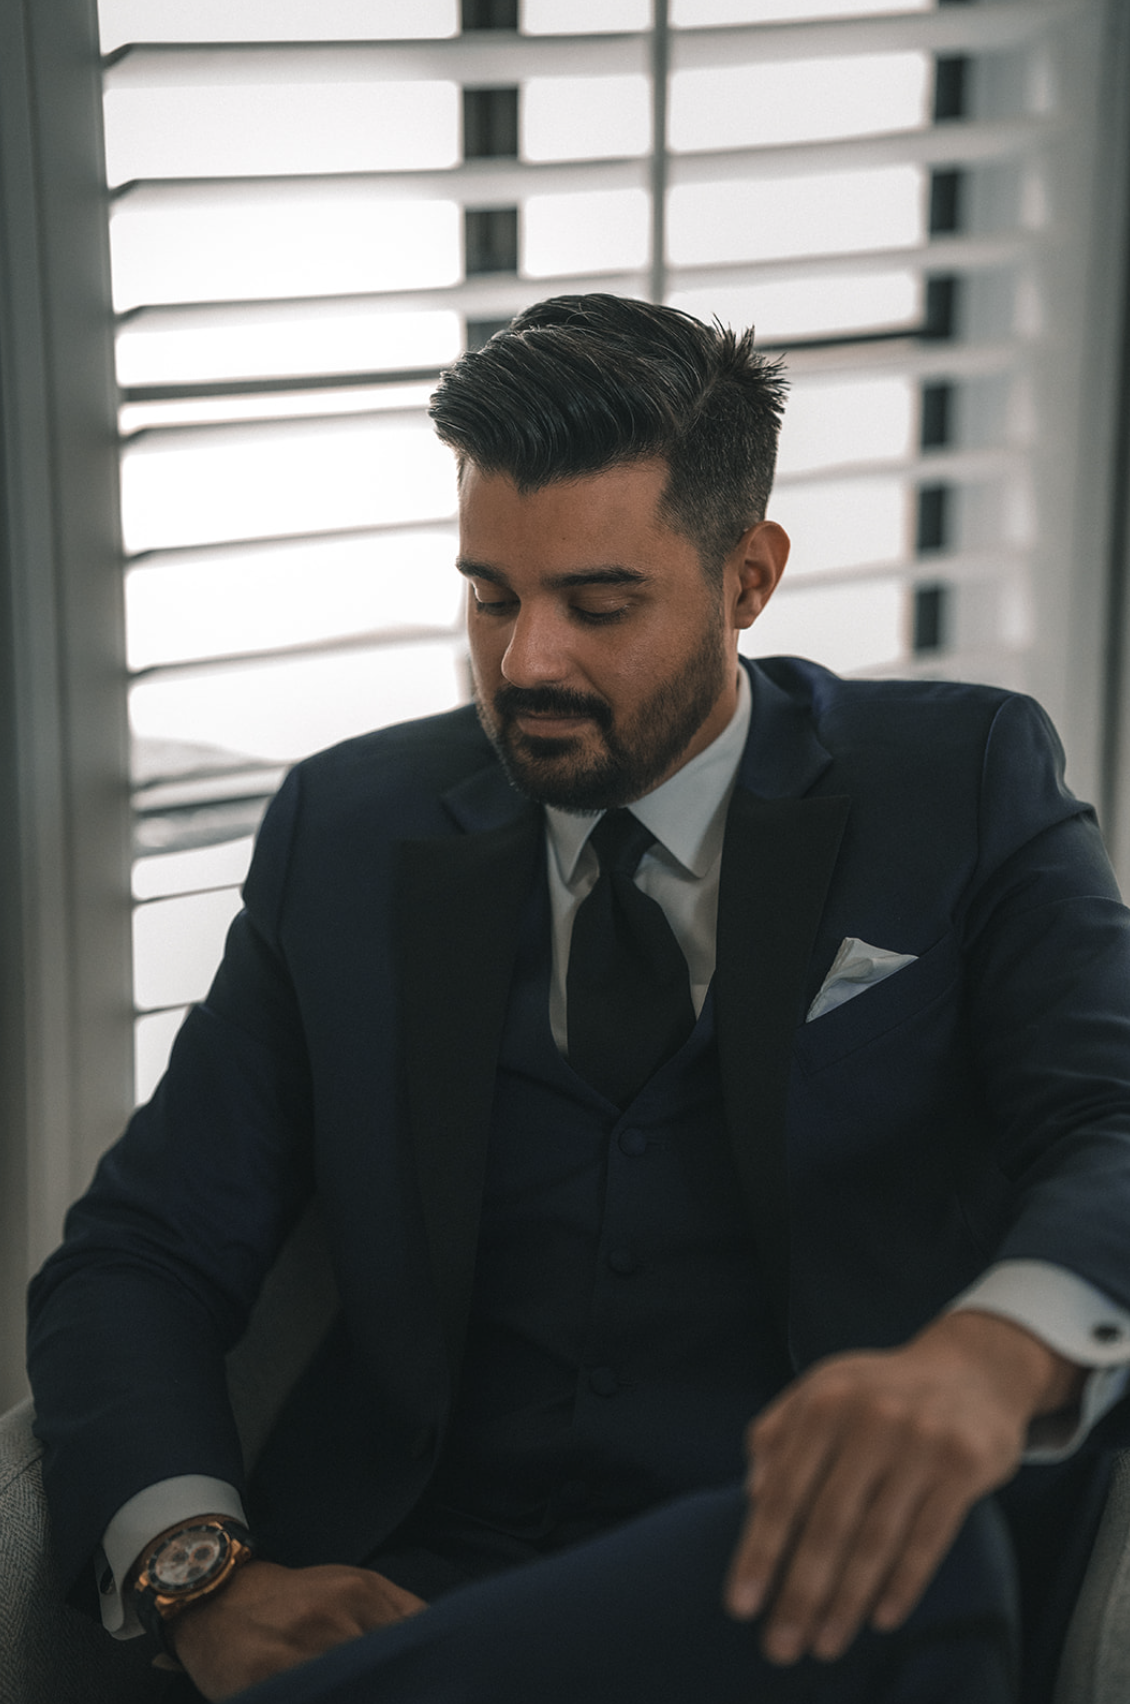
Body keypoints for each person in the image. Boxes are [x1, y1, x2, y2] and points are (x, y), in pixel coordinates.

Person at [26, 294, 1130, 1704]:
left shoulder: (957, 783)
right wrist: (207, 1577)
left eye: (597, 605)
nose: (526, 662)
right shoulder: (348, 832)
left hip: (822, 1592)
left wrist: (988, 1356)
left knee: (927, 1567)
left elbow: (1109, 1119)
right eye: (491, 594)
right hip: (428, 1589)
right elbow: (140, 1252)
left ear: (747, 576)